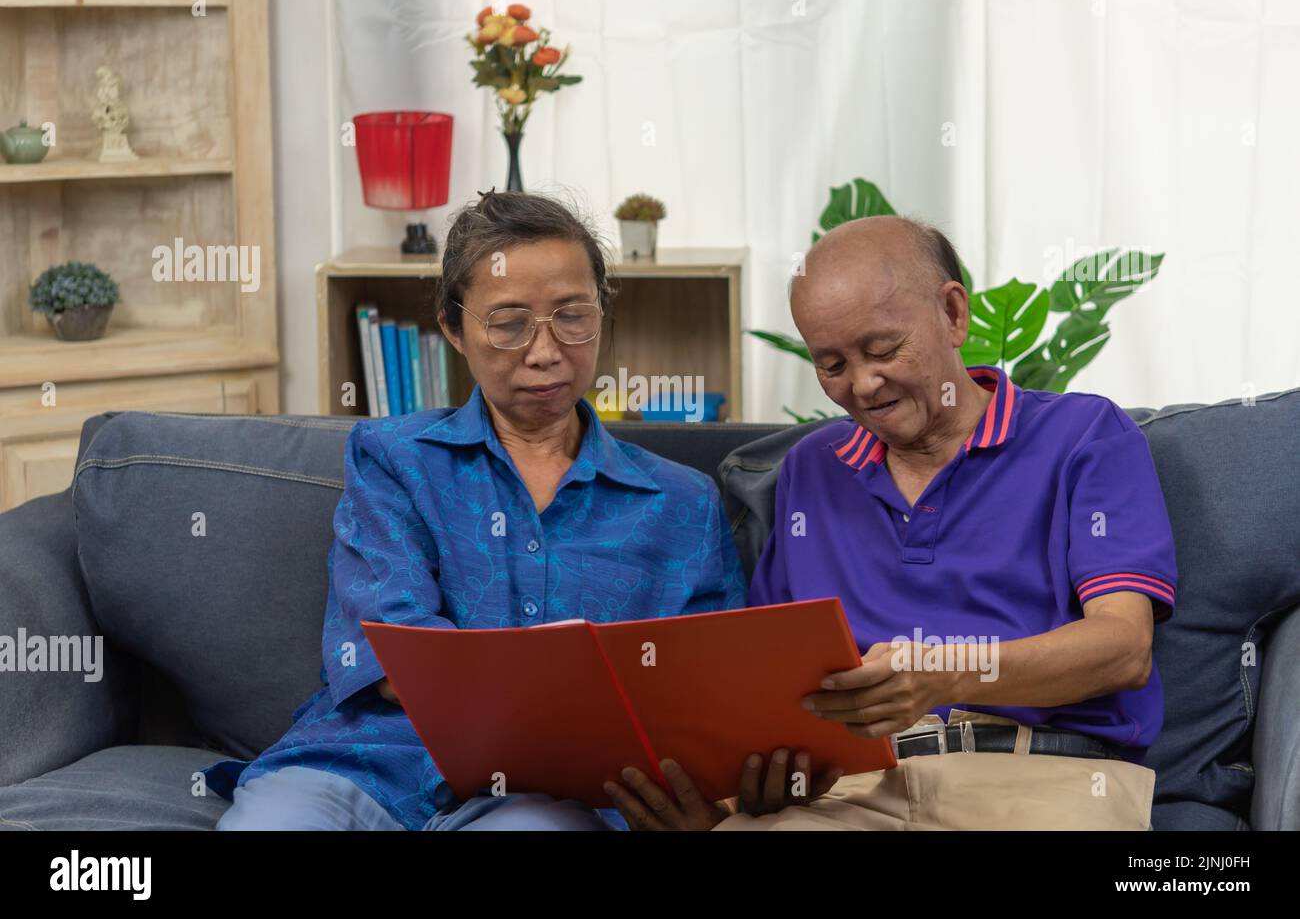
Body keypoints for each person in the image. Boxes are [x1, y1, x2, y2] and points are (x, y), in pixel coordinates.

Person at [205, 189, 752, 830]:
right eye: (509, 322)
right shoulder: (393, 459)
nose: (545, 351)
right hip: (370, 765)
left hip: (557, 796)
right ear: (453, 329)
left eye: (572, 316)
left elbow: (710, 696)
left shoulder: (682, 503)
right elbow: (397, 654)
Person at [610, 214, 1177, 830]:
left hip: (1043, 780)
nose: (862, 384)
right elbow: (775, 687)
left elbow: (1123, 649)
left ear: (954, 315)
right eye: (830, 365)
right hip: (849, 794)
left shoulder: (1085, 435)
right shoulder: (810, 470)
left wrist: (941, 672)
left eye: (882, 349)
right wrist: (741, 794)